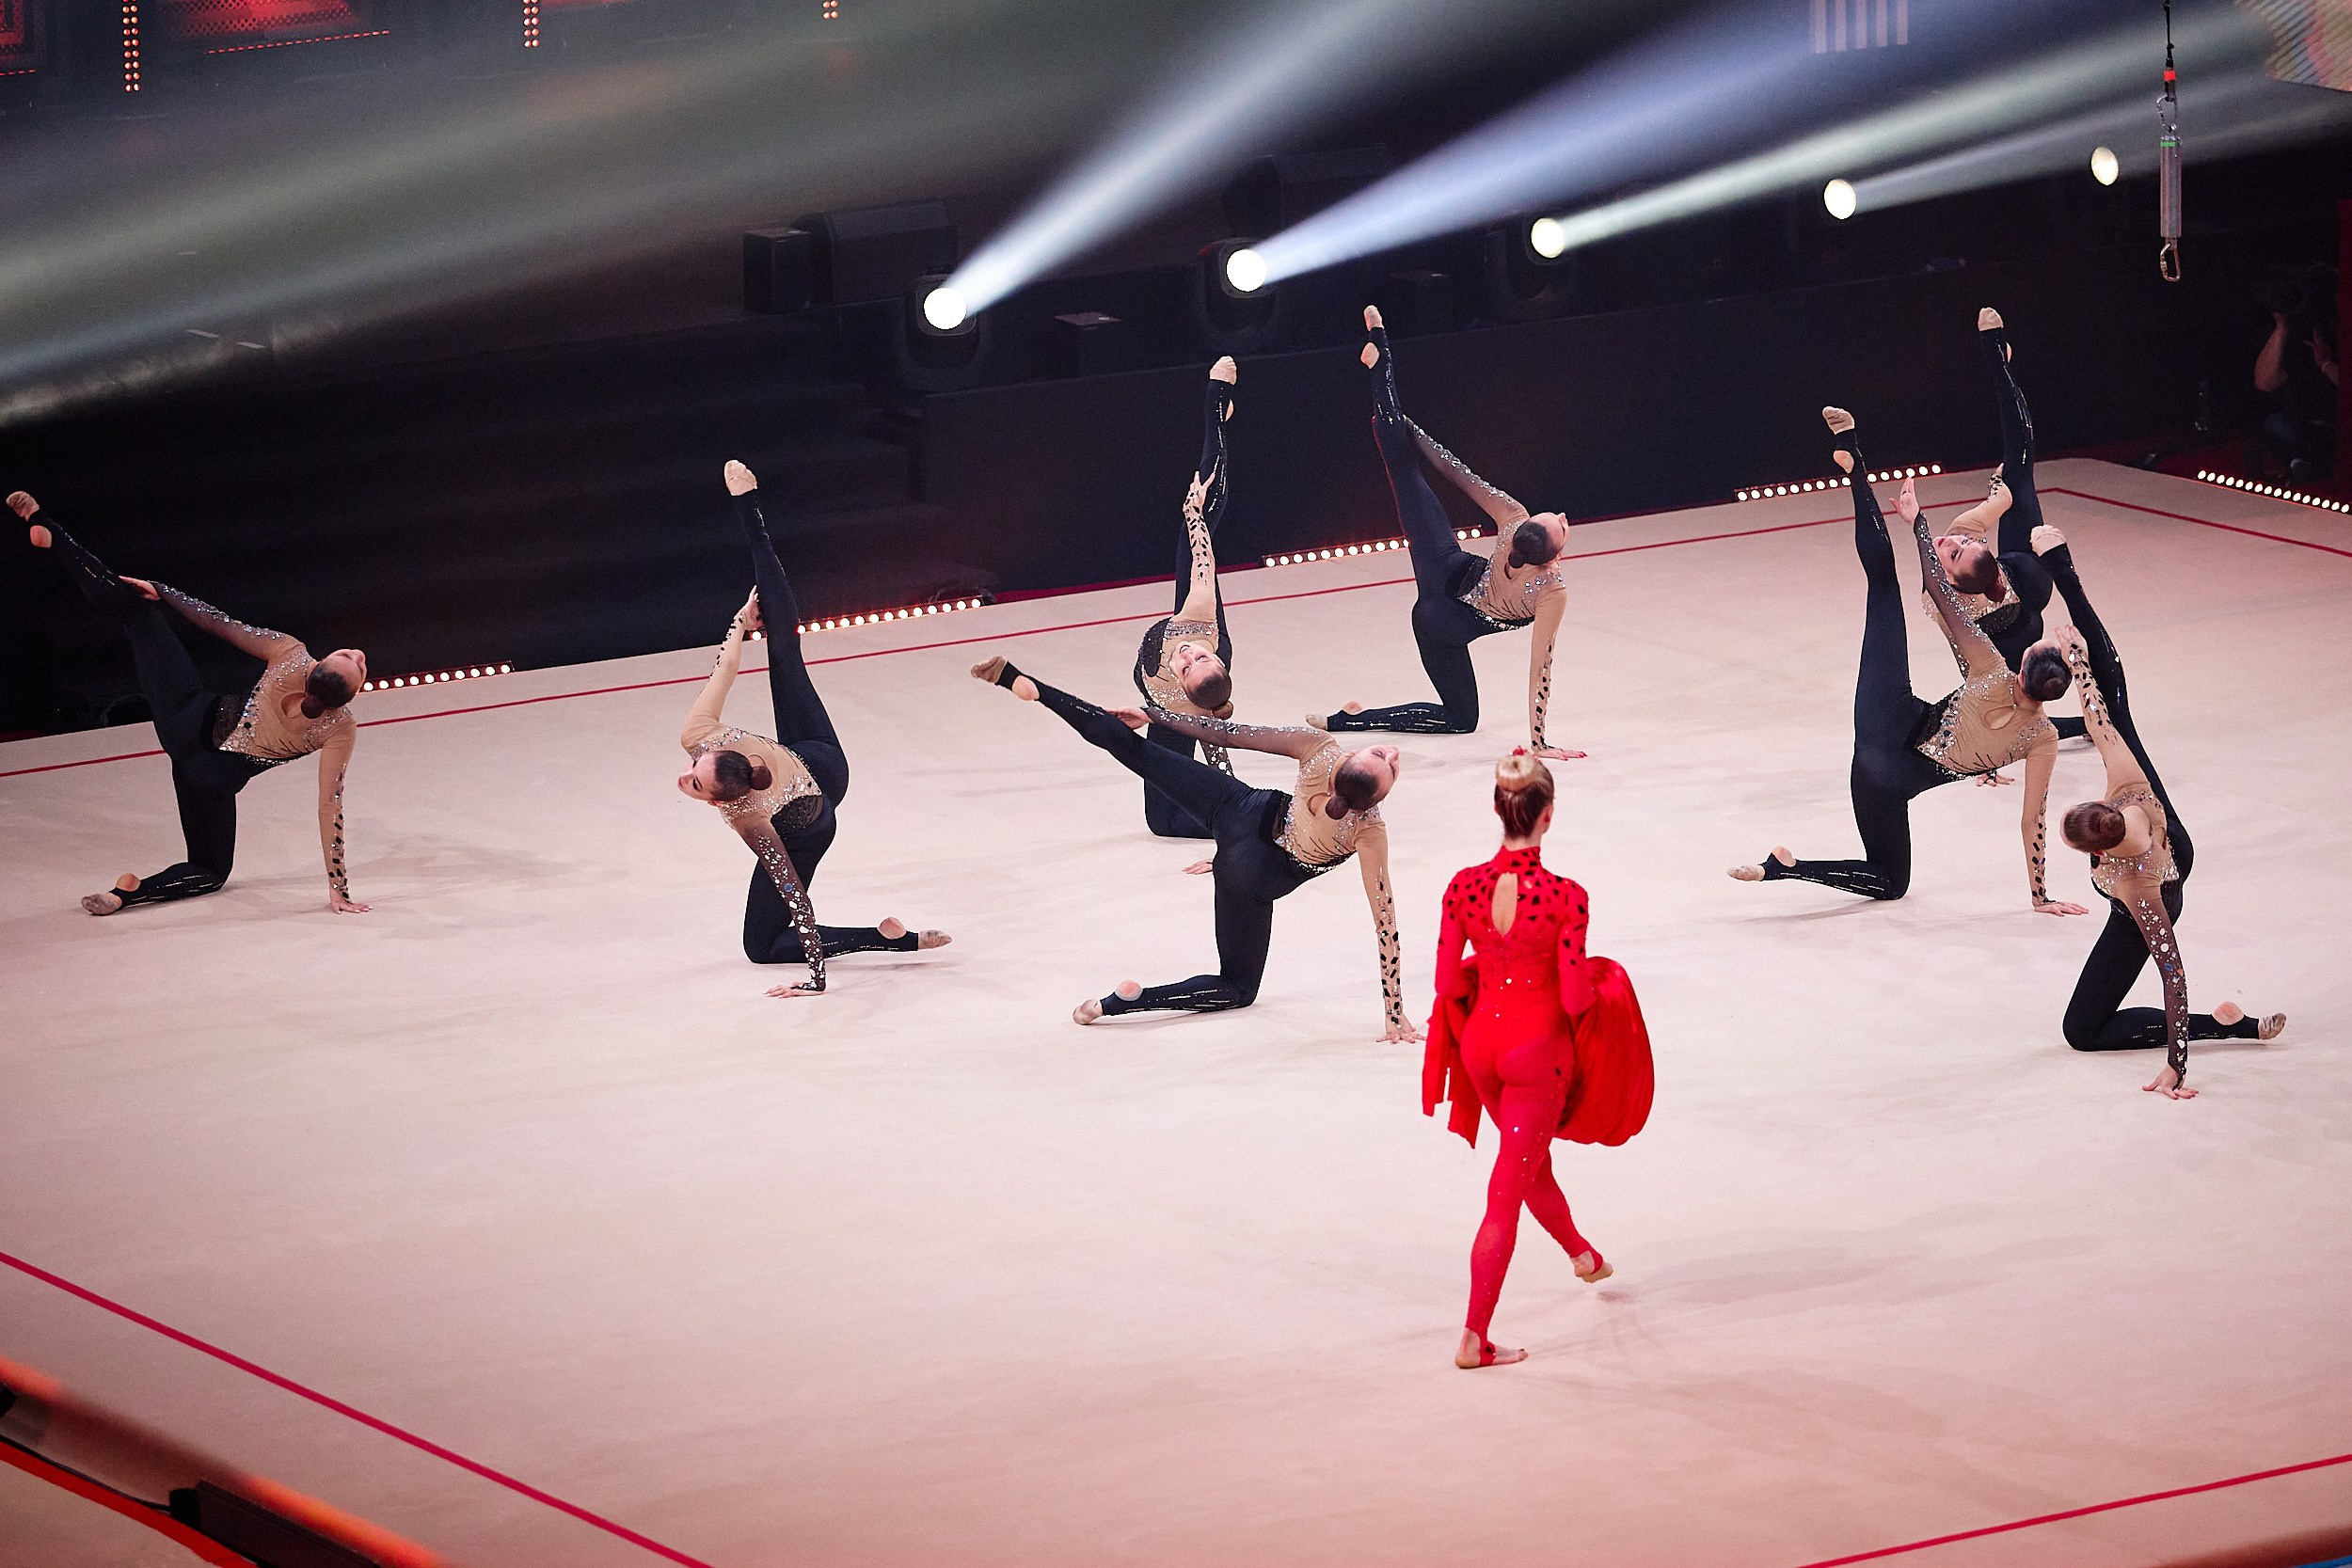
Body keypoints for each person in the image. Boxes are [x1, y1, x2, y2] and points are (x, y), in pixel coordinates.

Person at [1729, 410, 2079, 911]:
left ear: (2025, 665)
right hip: (1886, 782)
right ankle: (1786, 869)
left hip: (1885, 716)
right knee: (1890, 882)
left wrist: (1918, 525)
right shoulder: (2043, 739)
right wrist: (2040, 897)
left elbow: (1940, 591)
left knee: (1882, 586)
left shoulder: (1990, 669)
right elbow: (2033, 820)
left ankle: (1854, 465)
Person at [970, 654, 1416, 1038]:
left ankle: (1032, 686)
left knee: (1131, 748)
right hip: (1252, 871)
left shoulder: (1319, 747)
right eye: (1388, 760)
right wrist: (1394, 1013)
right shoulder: (1369, 831)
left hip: (1240, 811)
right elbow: (1385, 923)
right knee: (1237, 988)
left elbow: (1227, 733)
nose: (1394, 754)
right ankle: (1127, 1002)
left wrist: (1156, 716)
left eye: (1386, 762)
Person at [16, 491, 368, 915]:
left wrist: (164, 592)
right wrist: (338, 888)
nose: (359, 655)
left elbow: (219, 623)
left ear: (320, 667)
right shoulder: (340, 728)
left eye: (353, 660)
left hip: (184, 715)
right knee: (208, 869)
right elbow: (330, 806)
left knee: (138, 611)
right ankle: (127, 893)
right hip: (204, 776)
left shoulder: (292, 654)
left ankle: (52, 532)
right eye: (356, 660)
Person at [677, 461, 947, 996]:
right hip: (807, 774)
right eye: (693, 776)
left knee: (762, 947)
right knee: (784, 650)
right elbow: (723, 671)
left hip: (819, 790)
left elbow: (796, 895)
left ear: (721, 797)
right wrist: (740, 623)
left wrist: (814, 982)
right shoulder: (700, 735)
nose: (683, 778)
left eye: (694, 782)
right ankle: (749, 509)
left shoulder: (749, 815)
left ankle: (888, 940)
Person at [1422, 752, 1653, 1370]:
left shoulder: (1462, 886)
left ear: (1499, 811)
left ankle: (1581, 1253)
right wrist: (1607, 983)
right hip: (1536, 1052)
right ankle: (1474, 1335)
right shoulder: (1565, 897)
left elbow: (1447, 983)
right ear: (1547, 817)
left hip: (1482, 1049)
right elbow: (1576, 997)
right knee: (1506, 1188)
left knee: (1527, 1163)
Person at [2040, 528, 2283, 1098]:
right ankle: (2065, 567)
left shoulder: (2136, 890)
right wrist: (2076, 659)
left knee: (2082, 1031)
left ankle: (2224, 1029)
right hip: (2162, 829)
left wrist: (2179, 1064)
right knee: (2119, 711)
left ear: (2094, 852)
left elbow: (2172, 975)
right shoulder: (2127, 782)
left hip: (2164, 873)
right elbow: (2100, 711)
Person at [1311, 307, 1581, 759]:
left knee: (1404, 472)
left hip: (1444, 570)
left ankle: (1383, 355)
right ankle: (1346, 720)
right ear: (1551, 558)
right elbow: (1541, 667)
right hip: (1441, 619)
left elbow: (1455, 470)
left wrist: (1404, 422)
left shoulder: (1514, 516)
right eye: (1561, 521)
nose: (1563, 516)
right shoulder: (1552, 590)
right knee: (1460, 720)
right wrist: (1539, 743)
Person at [1922, 309, 2086, 744]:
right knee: (2022, 705)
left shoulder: (1954, 560)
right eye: (1956, 547)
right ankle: (2087, 723)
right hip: (2017, 628)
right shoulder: (1949, 603)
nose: (1948, 538)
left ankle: (1996, 362)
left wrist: (2002, 485)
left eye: (1958, 545)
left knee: (2021, 463)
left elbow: (2005, 501)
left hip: (2026, 575)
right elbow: (1970, 663)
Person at [1134, 357, 1243, 840]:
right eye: (1200, 658)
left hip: (1167, 709)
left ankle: (1219, 415)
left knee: (1161, 822)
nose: (1185, 654)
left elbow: (1225, 778)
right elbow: (1203, 556)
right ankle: (1215, 407)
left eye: (1185, 664)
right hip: (1188, 613)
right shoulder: (1199, 625)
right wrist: (1193, 510)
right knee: (1198, 515)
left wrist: (1234, 834)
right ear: (1212, 654)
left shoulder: (1181, 708)